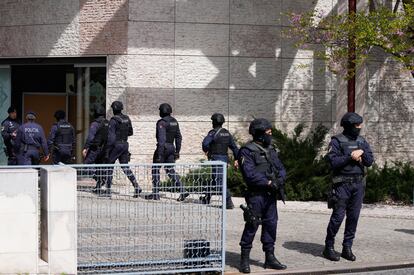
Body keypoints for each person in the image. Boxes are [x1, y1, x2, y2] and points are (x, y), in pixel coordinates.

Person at [238, 118, 287, 273]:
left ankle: (270, 258)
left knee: (271, 225)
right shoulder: (247, 151)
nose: (270, 135)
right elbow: (249, 174)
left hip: (270, 196)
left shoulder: (271, 150)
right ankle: (244, 259)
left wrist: (280, 180)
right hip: (256, 196)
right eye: (268, 132)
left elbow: (281, 168)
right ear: (259, 134)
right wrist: (267, 183)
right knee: (252, 224)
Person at [323, 112, 374, 262]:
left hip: (358, 184)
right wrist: (350, 156)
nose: (359, 128)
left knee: (353, 218)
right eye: (357, 126)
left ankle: (347, 247)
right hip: (342, 184)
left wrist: (362, 152)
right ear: (349, 126)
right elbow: (332, 162)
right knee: (338, 217)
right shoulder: (337, 141)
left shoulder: (361, 141)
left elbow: (369, 161)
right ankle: (329, 247)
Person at [146, 103, 188, 201]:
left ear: (162, 111)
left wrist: (159, 154)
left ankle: (156, 194)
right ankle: (183, 190)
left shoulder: (162, 122)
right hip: (171, 148)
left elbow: (161, 139)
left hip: (163, 148)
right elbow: (178, 137)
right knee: (170, 170)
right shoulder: (174, 122)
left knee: (155, 169)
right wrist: (177, 151)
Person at [201, 113, 239, 209]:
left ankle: (228, 202)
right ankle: (206, 198)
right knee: (215, 179)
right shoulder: (226, 133)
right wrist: (236, 159)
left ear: (213, 122)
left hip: (216, 159)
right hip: (224, 159)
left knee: (219, 181)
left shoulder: (213, 133)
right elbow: (234, 147)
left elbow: (205, 144)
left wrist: (207, 150)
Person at [106, 101, 142, 198]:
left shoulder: (113, 120)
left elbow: (111, 138)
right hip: (125, 144)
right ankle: (136, 185)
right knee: (125, 166)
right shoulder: (127, 119)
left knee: (109, 166)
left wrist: (107, 149)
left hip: (116, 145)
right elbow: (130, 132)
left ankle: (108, 190)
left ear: (114, 109)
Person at [83, 105, 109, 196]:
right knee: (99, 167)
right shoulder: (107, 123)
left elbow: (90, 137)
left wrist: (86, 147)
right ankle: (98, 186)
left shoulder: (95, 124)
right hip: (104, 149)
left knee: (86, 165)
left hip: (95, 148)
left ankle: (99, 179)